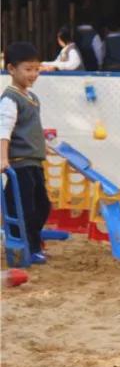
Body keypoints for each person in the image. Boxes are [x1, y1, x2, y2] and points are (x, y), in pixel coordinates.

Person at [1, 41, 52, 263]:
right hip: (19, 164)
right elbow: (4, 131)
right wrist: (3, 157)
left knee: (43, 205)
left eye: (37, 69)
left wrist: (44, 146)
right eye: (28, 69)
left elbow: (30, 129)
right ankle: (29, 247)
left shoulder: (32, 98)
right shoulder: (10, 99)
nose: (34, 74)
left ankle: (31, 241)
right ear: (12, 69)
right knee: (26, 208)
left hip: (33, 163)